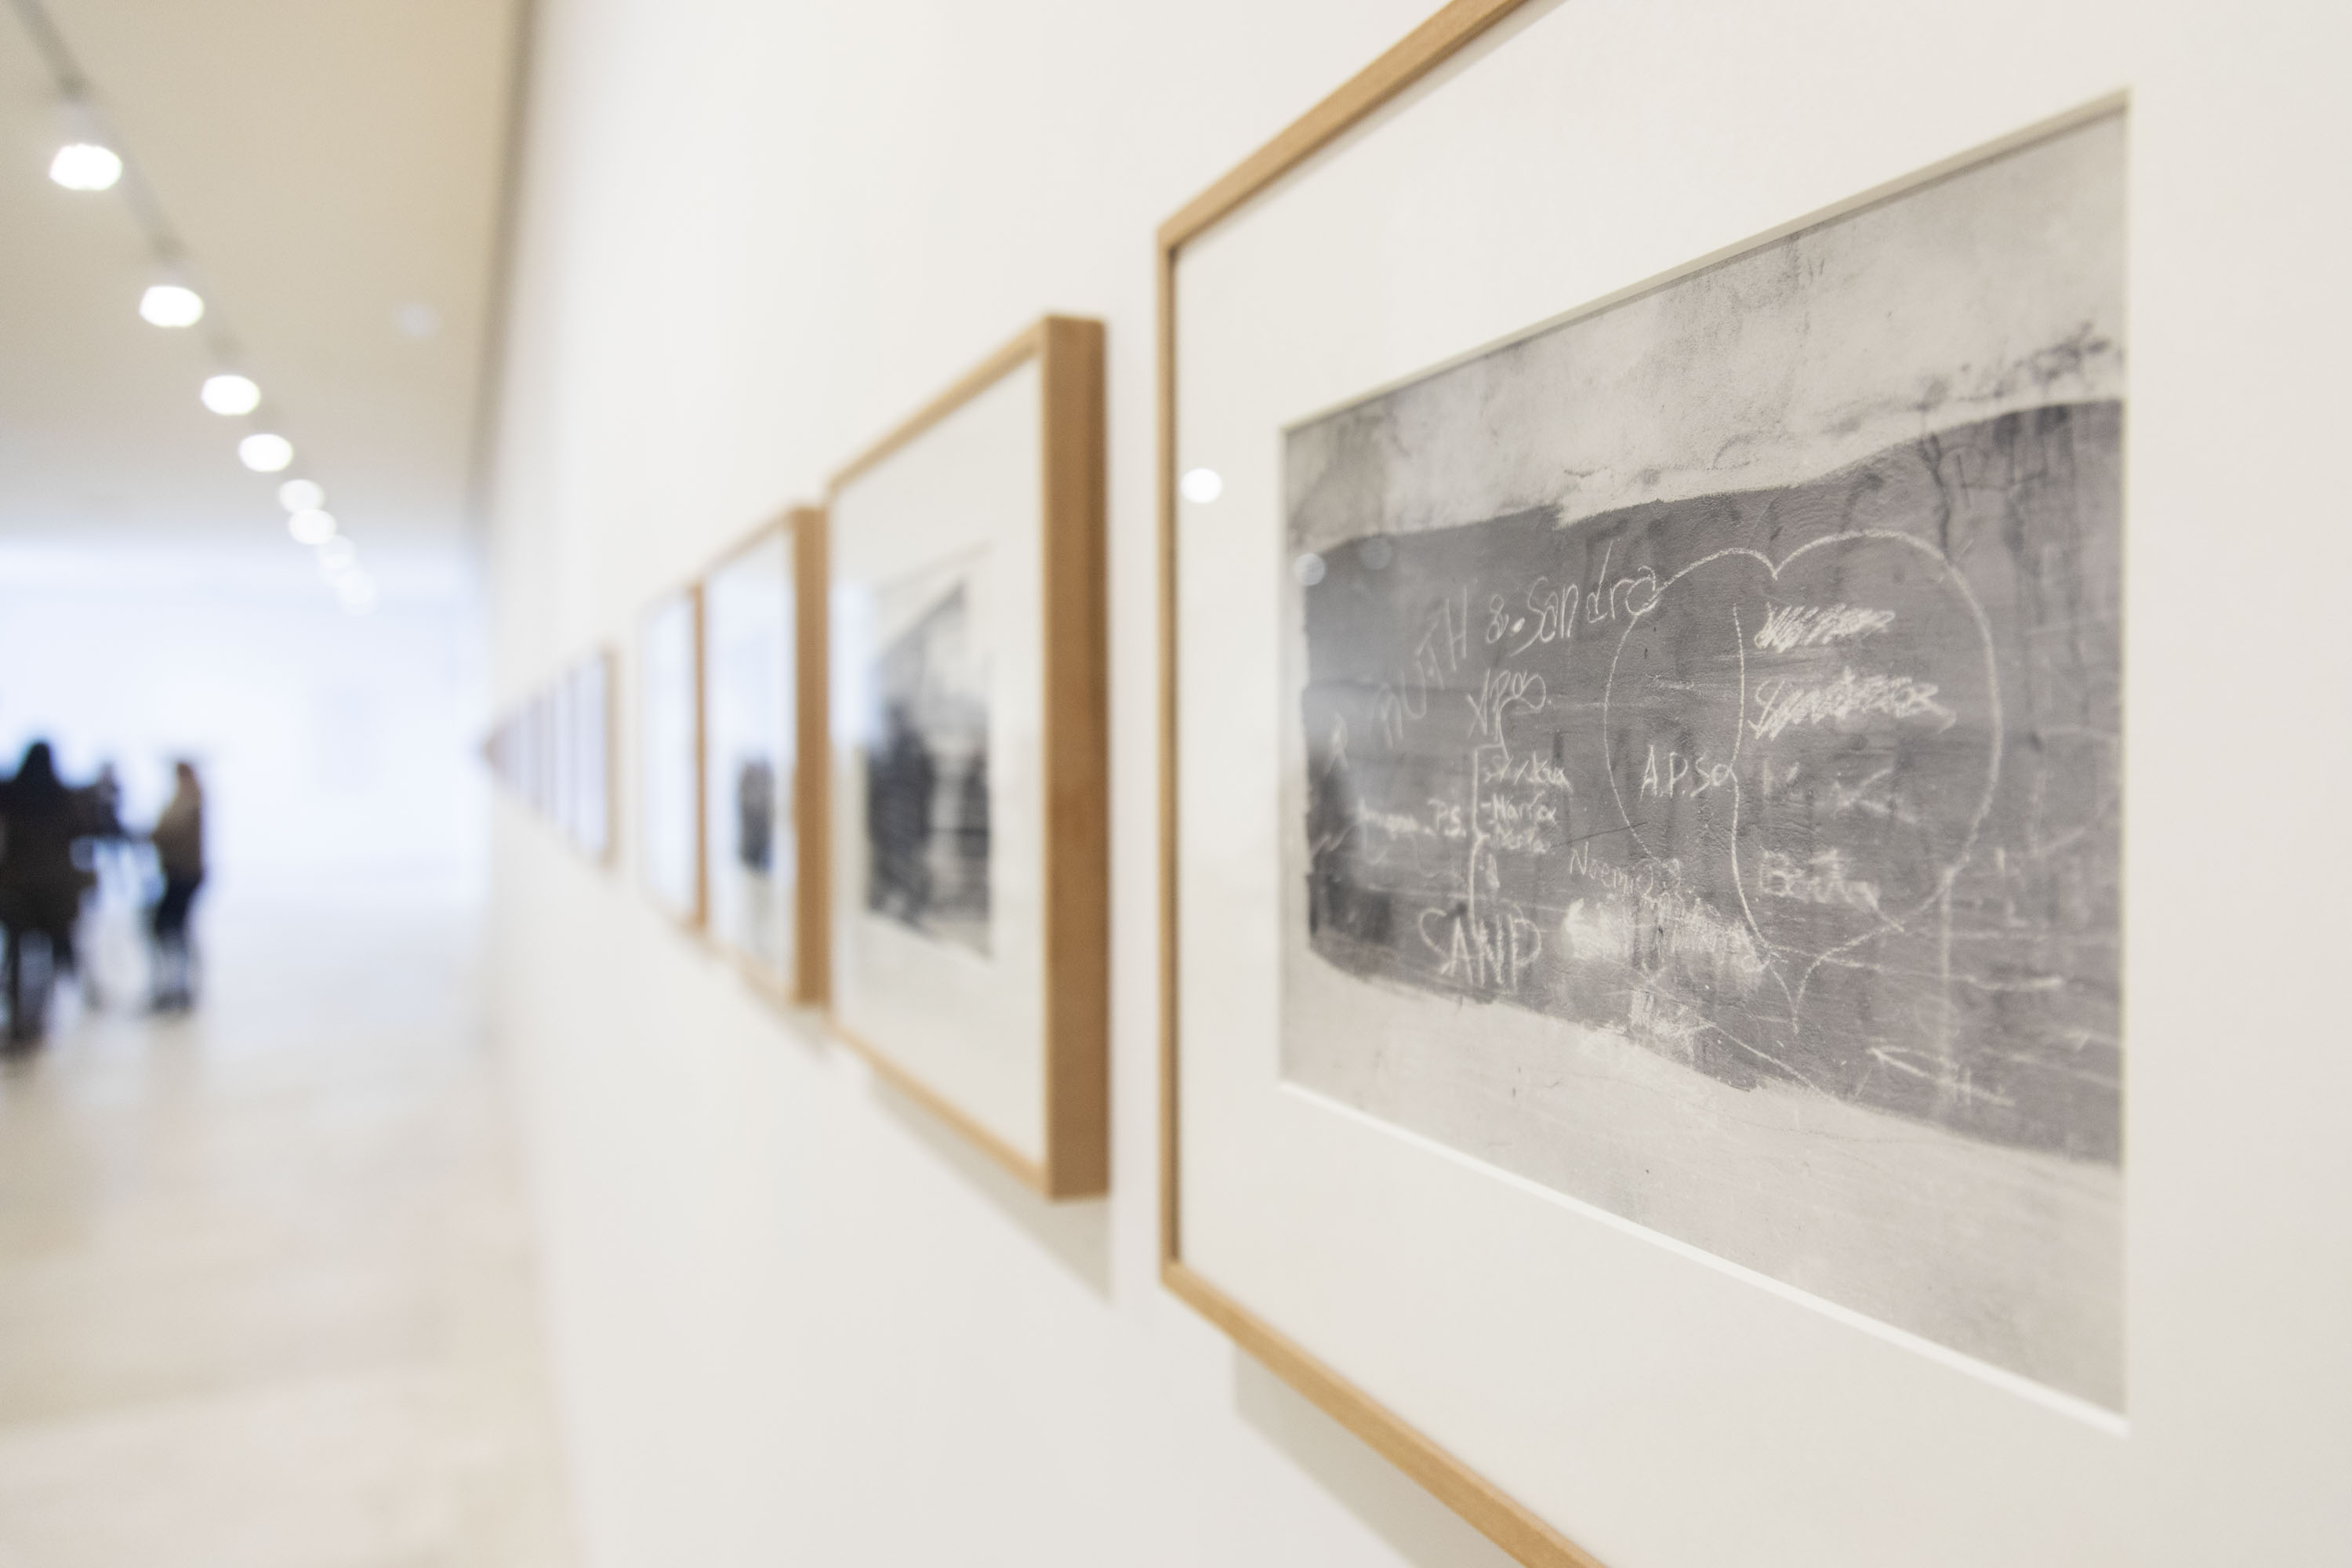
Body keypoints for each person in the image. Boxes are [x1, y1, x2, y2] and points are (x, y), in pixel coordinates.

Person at [0, 741, 96, 1047]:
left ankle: (18, 1019)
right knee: (50, 956)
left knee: (16, 957)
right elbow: (83, 833)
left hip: (17, 887)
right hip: (56, 889)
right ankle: (39, 1017)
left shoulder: (10, 794)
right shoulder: (64, 797)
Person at [147, 760, 205, 1012]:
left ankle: (178, 987)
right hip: (179, 873)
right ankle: (175, 986)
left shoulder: (190, 800)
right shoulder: (187, 798)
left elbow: (168, 832)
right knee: (171, 928)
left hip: (184, 874)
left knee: (171, 928)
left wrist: (152, 835)